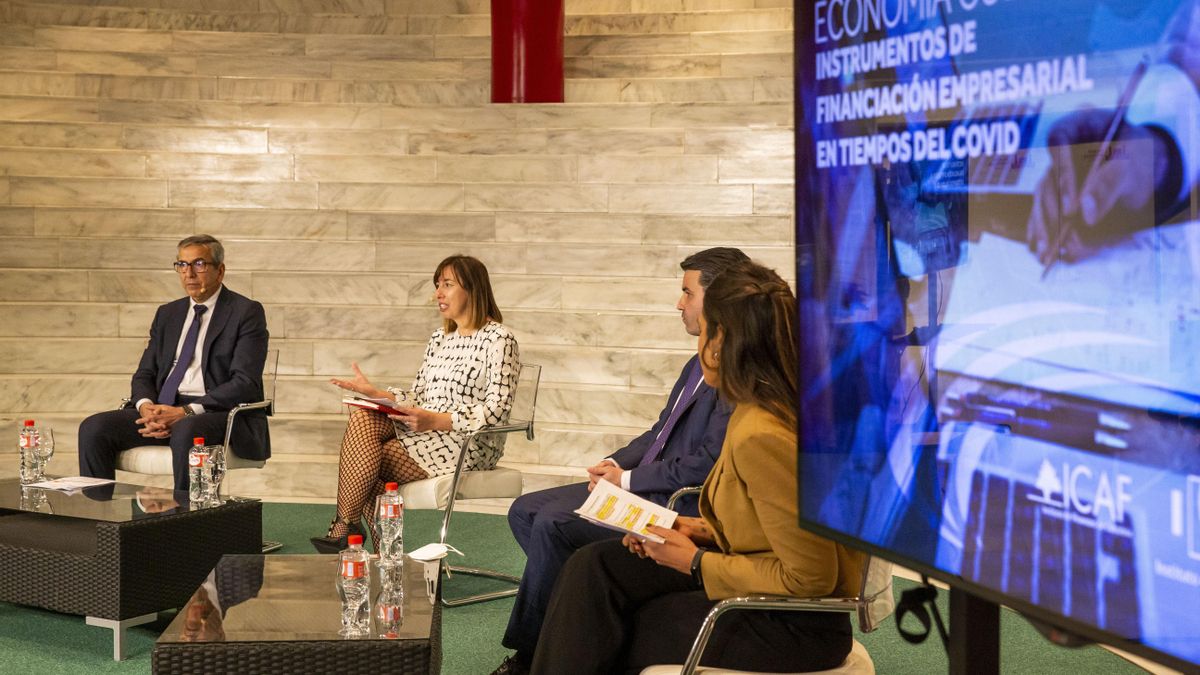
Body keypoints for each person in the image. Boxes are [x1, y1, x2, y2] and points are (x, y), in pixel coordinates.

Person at [526, 262, 869, 675]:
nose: (698, 342)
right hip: (768, 599)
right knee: (594, 567)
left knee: (617, 623)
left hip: (792, 626)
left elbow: (811, 578)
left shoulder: (764, 433)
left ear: (722, 342)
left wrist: (693, 561)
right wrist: (696, 530)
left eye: (704, 331)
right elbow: (772, 527)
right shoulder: (762, 407)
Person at [491, 248, 747, 675]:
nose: (678, 304)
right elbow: (659, 431)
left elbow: (706, 464)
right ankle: (579, 619)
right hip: (647, 485)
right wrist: (613, 463)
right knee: (525, 511)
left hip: (675, 502)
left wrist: (628, 481)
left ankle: (530, 654)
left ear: (717, 299)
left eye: (686, 293)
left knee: (553, 526)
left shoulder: (733, 371)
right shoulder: (695, 364)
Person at [312, 254, 520, 553]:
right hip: (426, 432)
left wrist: (436, 421)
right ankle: (366, 539)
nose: (438, 293)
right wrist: (376, 393)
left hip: (468, 442)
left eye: (447, 284)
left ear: (473, 288)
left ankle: (356, 534)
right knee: (363, 417)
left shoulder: (499, 339)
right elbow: (419, 395)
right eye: (438, 285)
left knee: (370, 460)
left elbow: (497, 409)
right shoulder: (440, 338)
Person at [78, 234, 270, 492]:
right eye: (182, 265)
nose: (189, 273)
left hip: (216, 413)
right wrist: (147, 408)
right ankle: (98, 518)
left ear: (220, 270)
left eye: (199, 264)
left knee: (187, 430)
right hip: (163, 409)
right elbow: (145, 373)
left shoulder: (245, 312)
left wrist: (185, 412)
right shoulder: (168, 314)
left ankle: (185, 523)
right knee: (94, 428)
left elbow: (244, 383)